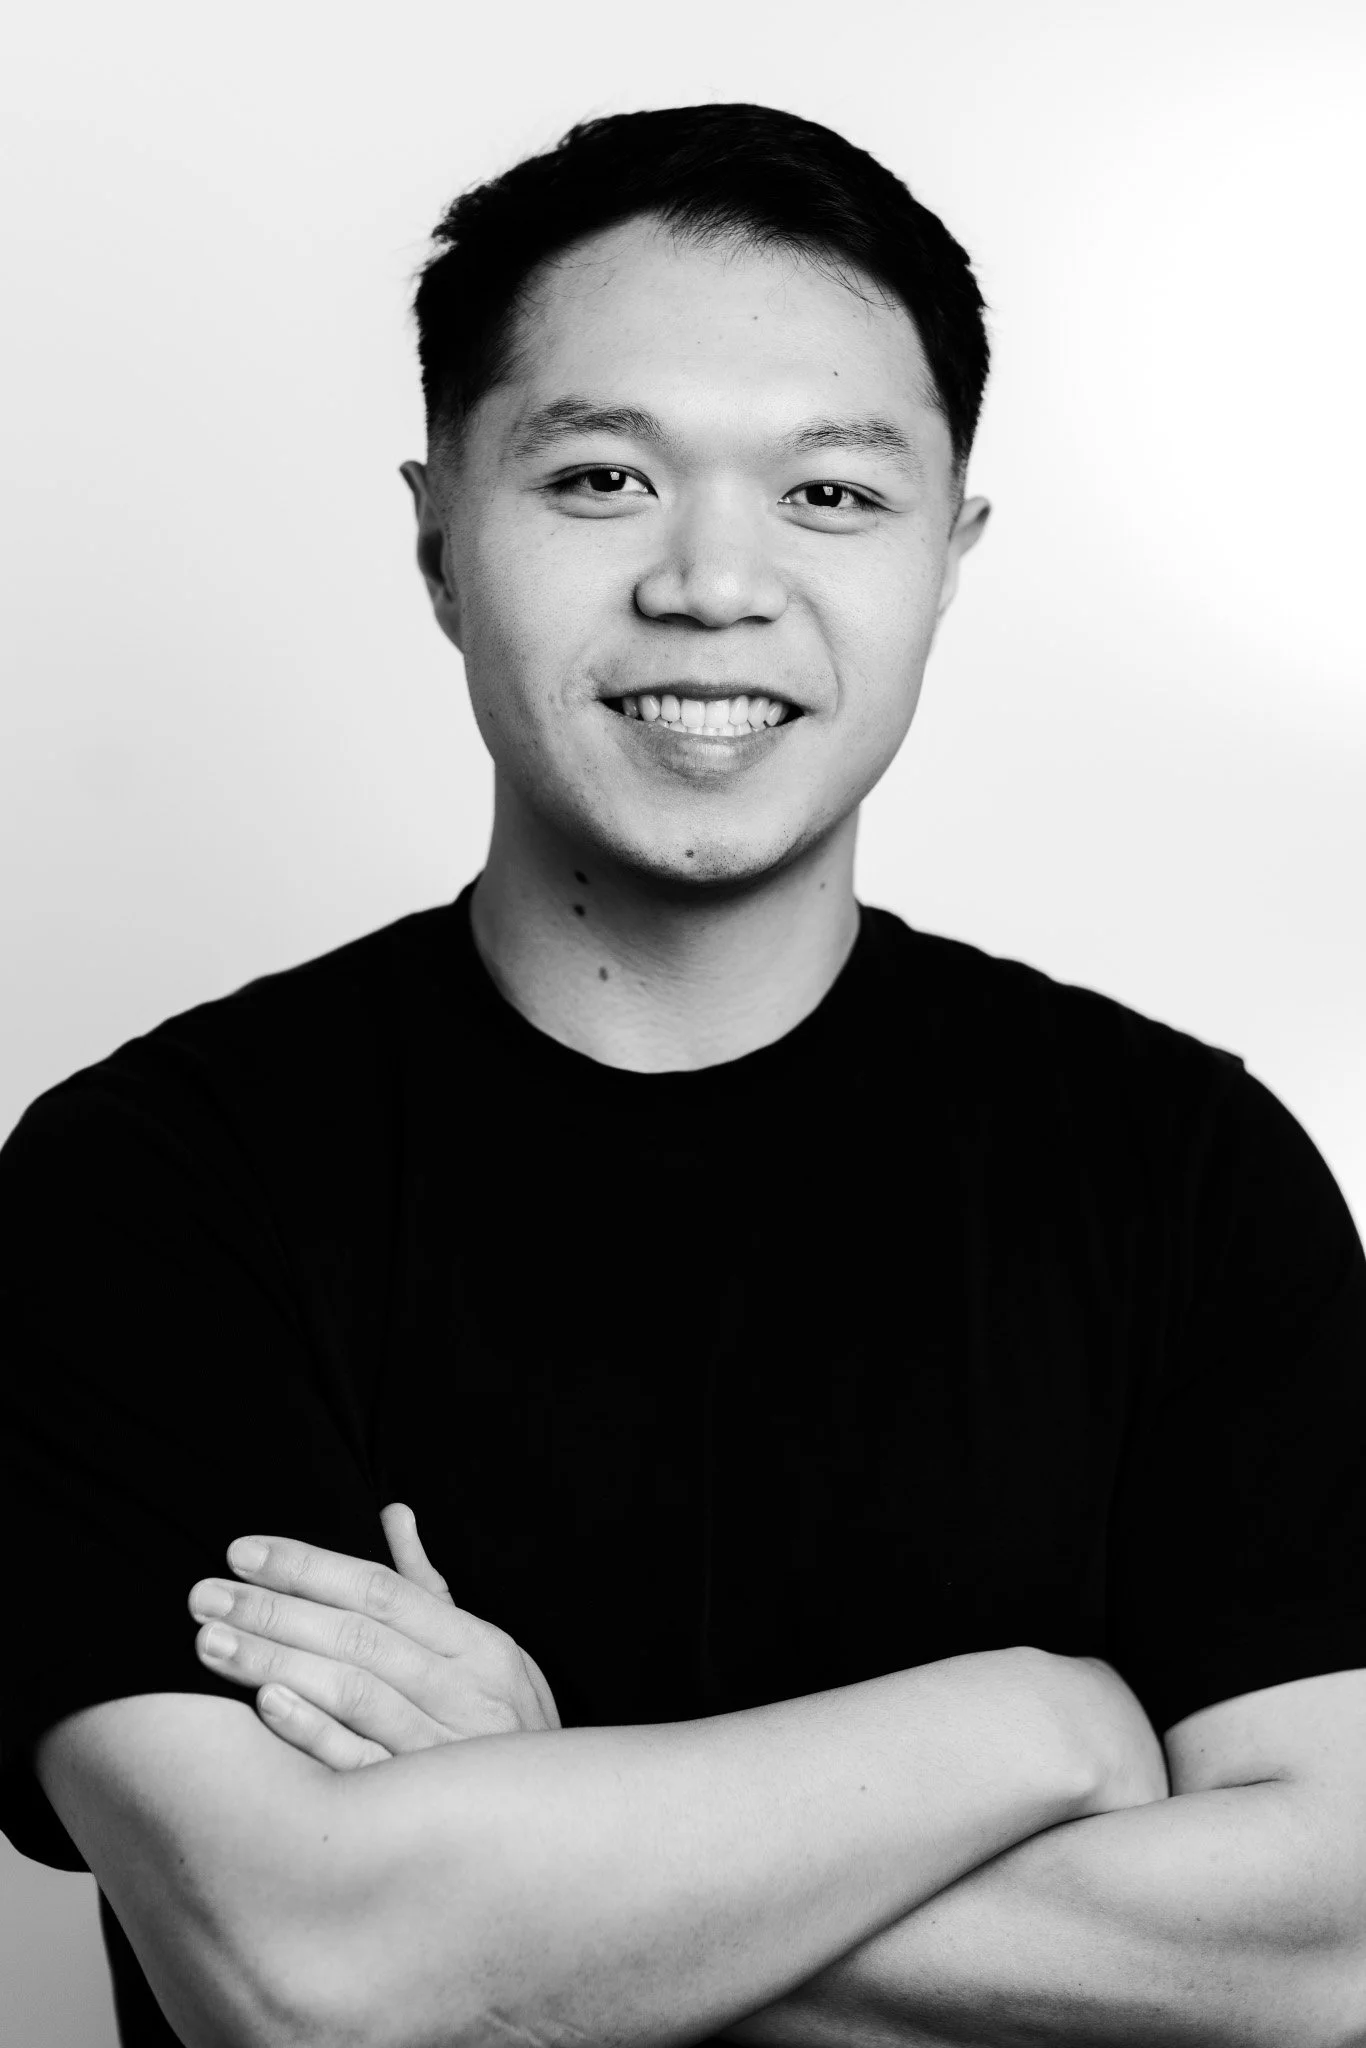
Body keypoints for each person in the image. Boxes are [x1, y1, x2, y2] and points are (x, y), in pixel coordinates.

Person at [3, 101, 1365, 2048]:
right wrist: (1041, 1725)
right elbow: (310, 1973)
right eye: (598, 480)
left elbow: (1325, 1946)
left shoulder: (1183, 1167)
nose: (712, 583)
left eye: (828, 495)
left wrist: (529, 1830)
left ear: (948, 554)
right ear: (434, 536)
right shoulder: (147, 1184)